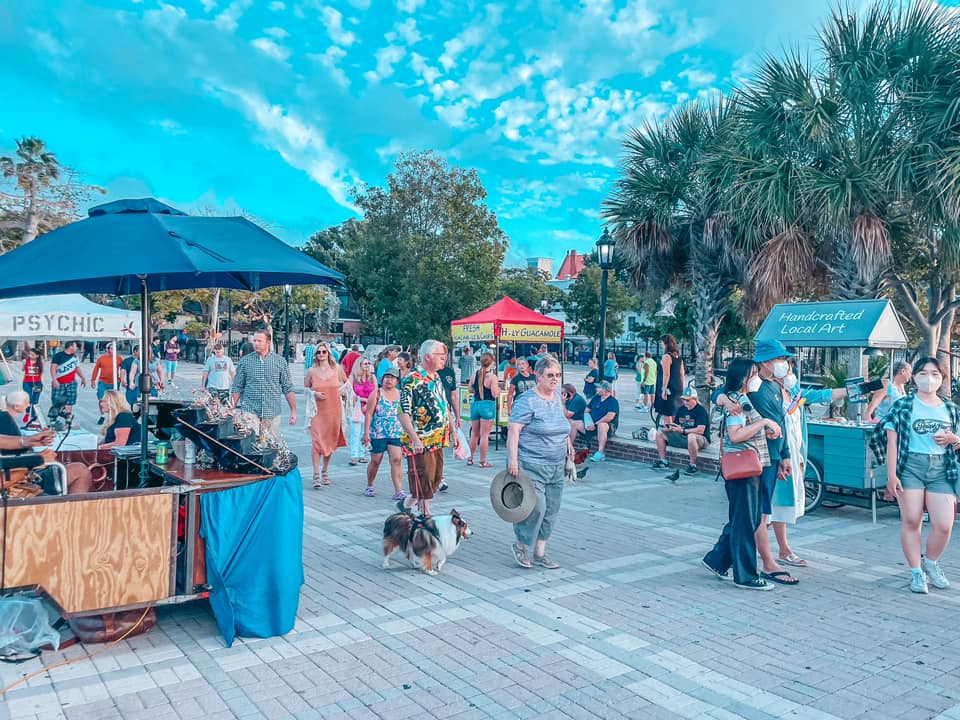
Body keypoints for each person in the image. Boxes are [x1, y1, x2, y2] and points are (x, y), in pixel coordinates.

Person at [875, 357, 960, 594]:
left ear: (942, 378)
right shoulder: (903, 405)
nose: (928, 378)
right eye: (923, 373)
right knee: (912, 520)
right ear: (914, 377)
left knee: (944, 525)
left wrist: (954, 439)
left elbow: (958, 438)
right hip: (910, 465)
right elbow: (892, 441)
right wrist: (891, 476)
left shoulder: (950, 408)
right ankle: (916, 572)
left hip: (942, 468)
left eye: (934, 374)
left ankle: (930, 562)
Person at [702, 357, 782, 591]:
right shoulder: (736, 401)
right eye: (753, 374)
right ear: (743, 378)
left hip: (750, 464)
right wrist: (764, 422)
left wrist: (763, 432)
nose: (756, 377)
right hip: (743, 468)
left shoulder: (740, 399)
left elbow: (744, 431)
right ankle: (745, 575)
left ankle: (717, 559)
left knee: (748, 518)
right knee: (746, 522)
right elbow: (736, 435)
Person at [506, 356, 572, 570]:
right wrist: (513, 460)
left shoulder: (556, 398)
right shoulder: (526, 400)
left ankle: (540, 552)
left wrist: (569, 447)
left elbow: (563, 424)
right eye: (550, 375)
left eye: (557, 375)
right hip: (532, 464)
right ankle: (521, 544)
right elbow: (514, 431)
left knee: (552, 509)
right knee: (537, 508)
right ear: (538, 376)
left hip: (556, 466)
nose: (554, 379)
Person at [397, 340, 461, 516]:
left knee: (435, 479)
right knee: (424, 480)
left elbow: (444, 405)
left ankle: (407, 505)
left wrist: (453, 431)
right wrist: (415, 439)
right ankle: (426, 517)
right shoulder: (412, 380)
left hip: (438, 439)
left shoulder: (436, 377)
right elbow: (403, 412)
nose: (444, 359)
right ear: (427, 357)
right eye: (441, 356)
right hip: (421, 441)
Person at [231, 329, 296, 437]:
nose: (256, 343)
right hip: (250, 411)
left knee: (271, 447)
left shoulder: (280, 361)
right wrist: (231, 408)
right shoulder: (245, 361)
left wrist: (293, 410)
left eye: (259, 341)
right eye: (254, 340)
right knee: (251, 445)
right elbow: (237, 387)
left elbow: (287, 387)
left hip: (272, 412)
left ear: (268, 342)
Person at [305, 342, 347, 487]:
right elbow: (305, 388)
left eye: (324, 352)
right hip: (317, 412)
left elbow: (347, 385)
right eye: (319, 352)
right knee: (316, 443)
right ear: (315, 355)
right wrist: (314, 393)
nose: (321, 355)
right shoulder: (311, 371)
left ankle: (325, 471)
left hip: (334, 410)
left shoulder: (337, 369)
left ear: (329, 353)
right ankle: (316, 474)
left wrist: (342, 392)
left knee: (330, 441)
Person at [362, 365, 406, 500]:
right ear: (382, 379)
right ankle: (370, 484)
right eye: (387, 377)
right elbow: (369, 414)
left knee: (396, 460)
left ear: (397, 381)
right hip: (378, 432)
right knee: (376, 461)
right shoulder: (377, 393)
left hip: (395, 433)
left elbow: (405, 414)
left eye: (392, 378)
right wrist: (366, 433)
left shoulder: (401, 394)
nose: (389, 380)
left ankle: (398, 490)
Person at [652, 386, 710, 474]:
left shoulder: (700, 410)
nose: (685, 402)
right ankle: (663, 461)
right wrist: (671, 427)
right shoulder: (681, 409)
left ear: (695, 399)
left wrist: (683, 431)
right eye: (684, 400)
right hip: (683, 436)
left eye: (688, 400)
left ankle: (692, 465)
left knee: (691, 436)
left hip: (700, 439)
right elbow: (677, 425)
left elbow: (700, 430)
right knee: (660, 432)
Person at [467, 352, 498, 468]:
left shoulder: (475, 374)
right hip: (487, 405)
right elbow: (495, 394)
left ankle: (470, 458)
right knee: (484, 435)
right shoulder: (492, 377)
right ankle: (483, 461)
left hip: (475, 404)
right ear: (492, 362)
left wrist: (477, 390)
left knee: (475, 434)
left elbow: (470, 389)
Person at [49, 341, 86, 428]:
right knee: (57, 401)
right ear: (71, 346)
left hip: (71, 382)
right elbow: (53, 368)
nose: (76, 348)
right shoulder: (58, 356)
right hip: (60, 381)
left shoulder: (75, 356)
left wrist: (82, 377)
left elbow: (77, 368)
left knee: (70, 401)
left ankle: (68, 420)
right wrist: (54, 380)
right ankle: (53, 420)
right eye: (76, 346)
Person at [347, 357, 376, 466]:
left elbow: (376, 391)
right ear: (359, 365)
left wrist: (369, 403)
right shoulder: (353, 377)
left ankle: (362, 453)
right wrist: (363, 400)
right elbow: (350, 393)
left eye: (368, 363)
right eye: (365, 364)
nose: (367, 365)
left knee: (366, 431)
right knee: (355, 432)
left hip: (369, 407)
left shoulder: (372, 377)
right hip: (357, 408)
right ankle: (354, 455)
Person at [654, 335, 685, 426]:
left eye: (662, 343)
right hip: (677, 386)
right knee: (674, 411)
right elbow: (682, 374)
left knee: (666, 412)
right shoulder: (678, 357)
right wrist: (681, 387)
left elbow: (666, 374)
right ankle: (674, 431)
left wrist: (664, 389)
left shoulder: (666, 356)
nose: (661, 345)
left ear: (666, 344)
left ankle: (669, 432)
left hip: (668, 387)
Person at [586, 381, 619, 461]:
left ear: (605, 390)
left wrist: (595, 424)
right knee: (575, 423)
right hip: (592, 424)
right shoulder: (596, 398)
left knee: (602, 425)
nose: (596, 389)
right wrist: (588, 422)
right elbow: (587, 410)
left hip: (608, 426)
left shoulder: (612, 401)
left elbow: (609, 417)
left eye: (599, 387)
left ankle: (600, 452)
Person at [21, 347, 43, 429]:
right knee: (29, 398)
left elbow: (41, 372)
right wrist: (24, 365)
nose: (30, 356)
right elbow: (22, 370)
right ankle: (27, 413)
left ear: (37, 356)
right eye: (29, 354)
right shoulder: (25, 361)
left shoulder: (40, 362)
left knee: (35, 401)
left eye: (32, 354)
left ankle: (33, 417)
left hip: (37, 383)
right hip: (27, 382)